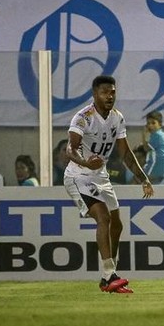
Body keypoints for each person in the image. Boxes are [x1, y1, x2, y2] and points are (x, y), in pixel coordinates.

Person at [64, 75, 155, 294]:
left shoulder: (117, 118)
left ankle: (108, 276)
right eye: (105, 92)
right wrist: (86, 162)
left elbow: (125, 153)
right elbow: (70, 149)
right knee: (103, 218)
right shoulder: (83, 118)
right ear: (94, 94)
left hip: (101, 177)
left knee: (117, 225)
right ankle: (109, 274)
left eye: (112, 92)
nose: (109, 96)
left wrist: (143, 179)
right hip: (79, 176)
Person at [141, 110, 164, 183]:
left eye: (153, 123)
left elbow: (146, 148)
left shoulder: (157, 135)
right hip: (162, 168)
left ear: (160, 124)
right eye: (148, 123)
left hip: (157, 167)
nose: (150, 126)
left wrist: (143, 134)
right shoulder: (161, 135)